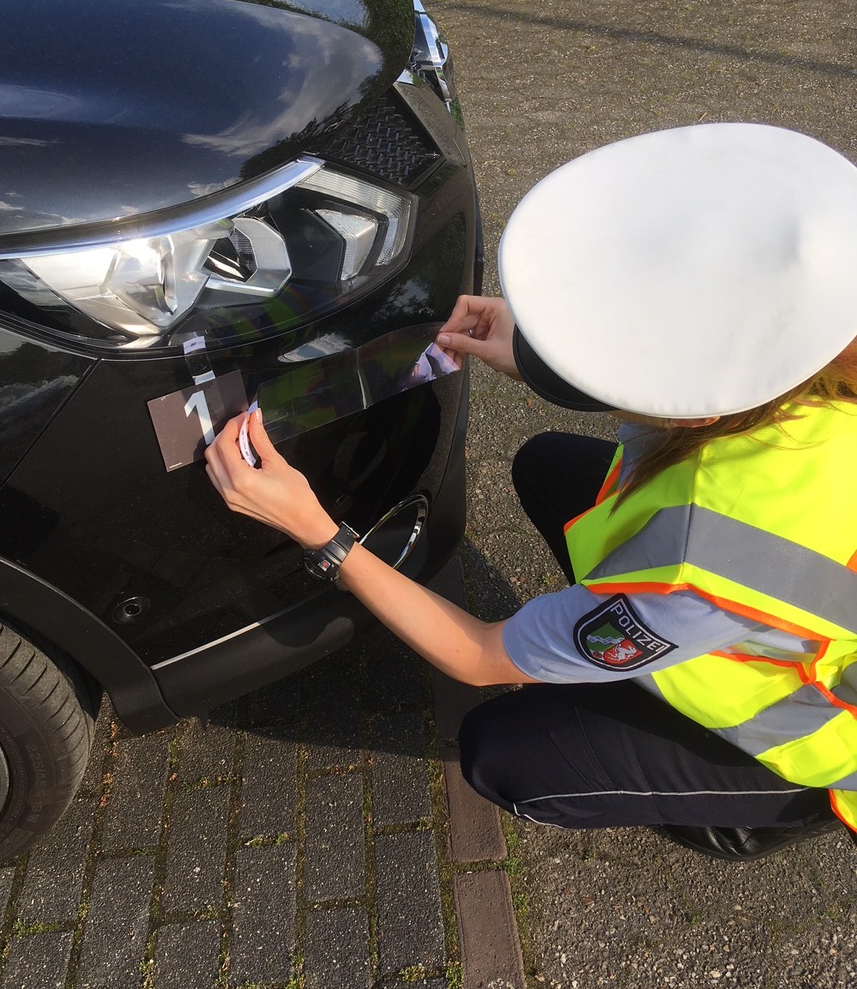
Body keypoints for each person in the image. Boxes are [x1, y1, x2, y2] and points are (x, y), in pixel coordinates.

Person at [205, 123, 857, 862]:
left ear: (702, 398)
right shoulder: (814, 353)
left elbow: (480, 656)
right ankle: (616, 642)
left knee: (504, 753)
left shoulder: (703, 563)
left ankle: (764, 813)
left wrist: (321, 535)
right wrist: (521, 344)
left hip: (825, 733)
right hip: (780, 605)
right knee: (548, 466)